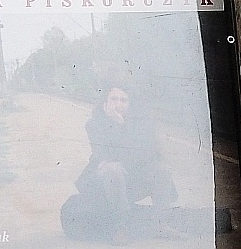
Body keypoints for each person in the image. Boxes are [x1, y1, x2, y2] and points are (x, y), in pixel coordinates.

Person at [60, 85, 180, 241]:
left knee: (162, 169)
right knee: (113, 169)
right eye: (114, 99)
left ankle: (161, 224)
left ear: (130, 104)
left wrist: (122, 126)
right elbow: (104, 155)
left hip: (134, 178)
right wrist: (116, 125)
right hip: (104, 184)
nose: (119, 104)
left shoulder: (140, 124)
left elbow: (147, 154)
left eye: (124, 100)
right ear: (105, 103)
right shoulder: (94, 124)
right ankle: (120, 227)